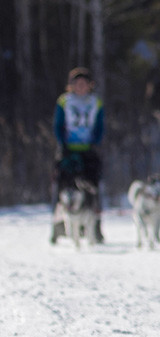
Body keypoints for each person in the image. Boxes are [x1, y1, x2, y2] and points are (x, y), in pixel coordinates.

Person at [51, 67, 105, 243]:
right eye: (77, 84)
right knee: (63, 188)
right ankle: (58, 225)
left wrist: (94, 142)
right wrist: (63, 143)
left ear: (90, 85)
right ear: (71, 85)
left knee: (92, 188)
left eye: (84, 84)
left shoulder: (95, 102)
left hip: (88, 150)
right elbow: (58, 124)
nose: (80, 87)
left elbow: (99, 125)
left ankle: (95, 226)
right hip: (68, 150)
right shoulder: (64, 101)